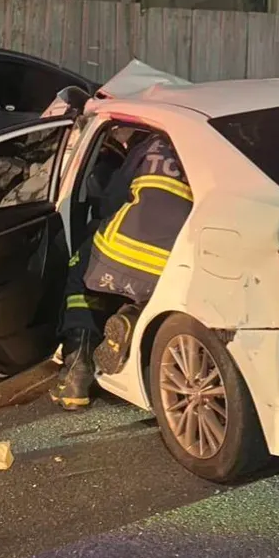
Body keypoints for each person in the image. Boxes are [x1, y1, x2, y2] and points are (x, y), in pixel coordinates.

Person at [50, 128, 193, 410]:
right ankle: (133, 315)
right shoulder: (204, 148)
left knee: (81, 273)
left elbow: (110, 201)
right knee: (153, 290)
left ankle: (77, 374)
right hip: (174, 261)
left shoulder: (149, 148)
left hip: (122, 252)